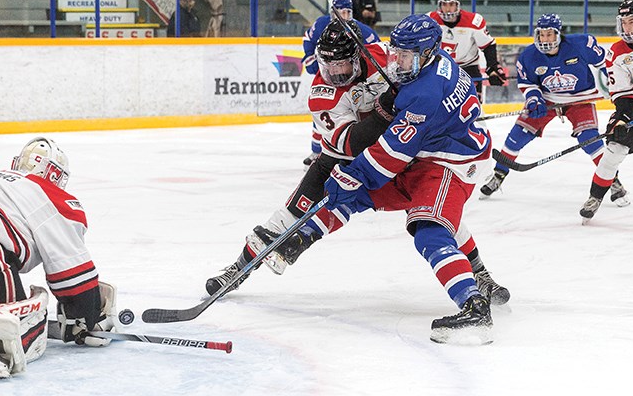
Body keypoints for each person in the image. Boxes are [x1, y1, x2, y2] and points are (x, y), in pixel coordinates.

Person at [207, 18, 506, 343]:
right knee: (299, 211)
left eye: (344, 63)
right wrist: (382, 118)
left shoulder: (391, 65)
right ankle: (244, 266)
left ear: (359, 55)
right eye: (329, 65)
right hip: (355, 153)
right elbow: (350, 143)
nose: (336, 72)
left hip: (434, 157)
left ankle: (474, 298)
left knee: (431, 224)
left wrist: (365, 164)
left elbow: (393, 149)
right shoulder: (327, 93)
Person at [320, 14, 498, 343]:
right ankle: (480, 274)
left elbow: (389, 157)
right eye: (396, 53)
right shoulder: (439, 59)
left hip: (451, 162)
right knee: (365, 198)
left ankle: (475, 308)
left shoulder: (424, 96)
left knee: (430, 229)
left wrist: (351, 174)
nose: (398, 62)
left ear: (427, 52)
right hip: (435, 153)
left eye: (406, 56)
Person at [0, 137, 117, 377]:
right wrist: (89, 316)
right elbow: (74, 277)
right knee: (11, 328)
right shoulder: (49, 194)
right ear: (53, 173)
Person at [479, 13, 629, 203]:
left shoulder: (581, 44)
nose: (545, 39)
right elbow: (528, 84)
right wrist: (534, 100)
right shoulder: (529, 56)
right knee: (519, 134)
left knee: (589, 139)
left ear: (558, 34)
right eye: (542, 34)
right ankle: (499, 174)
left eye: (550, 34)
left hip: (580, 100)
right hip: (547, 100)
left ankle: (613, 181)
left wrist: (615, 86)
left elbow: (607, 65)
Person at [580, 0, 633, 223]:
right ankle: (595, 197)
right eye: (624, 22)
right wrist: (621, 119)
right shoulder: (616, 52)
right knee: (613, 150)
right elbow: (623, 93)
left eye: (632, 21)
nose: (627, 27)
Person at [301, 0, 380, 166]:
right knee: (322, 116)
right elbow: (308, 40)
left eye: (347, 12)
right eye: (340, 12)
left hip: (353, 80)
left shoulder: (362, 30)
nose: (344, 17)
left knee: (357, 113)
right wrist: (311, 60)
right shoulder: (322, 24)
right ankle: (317, 152)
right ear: (333, 12)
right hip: (327, 76)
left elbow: (375, 50)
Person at [428, 0, 506, 99]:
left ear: (457, 5)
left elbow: (488, 45)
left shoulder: (473, 22)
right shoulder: (430, 20)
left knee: (472, 107)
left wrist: (492, 68)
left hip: (468, 68)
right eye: (444, 4)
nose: (447, 9)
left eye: (451, 4)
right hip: (440, 68)